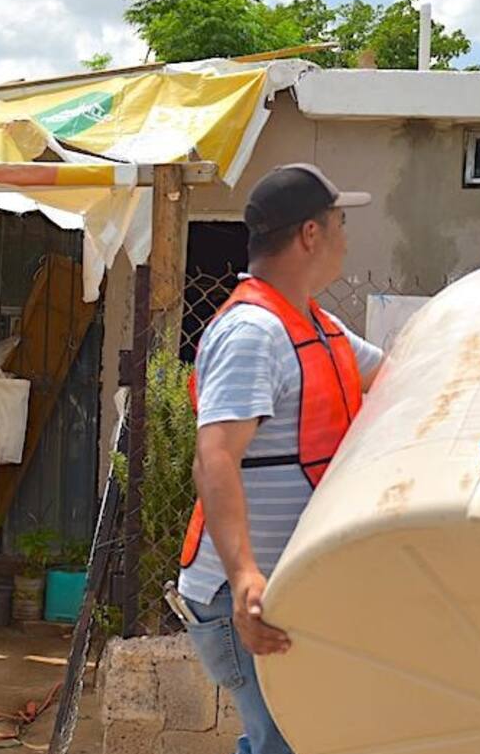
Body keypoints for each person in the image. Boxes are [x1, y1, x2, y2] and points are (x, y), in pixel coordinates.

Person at [177, 163, 384, 754]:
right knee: (287, 744)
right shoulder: (253, 333)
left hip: (291, 585)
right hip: (245, 596)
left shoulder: (319, 325)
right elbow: (214, 459)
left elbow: (394, 377)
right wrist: (245, 578)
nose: (347, 234)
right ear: (311, 235)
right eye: (341, 220)